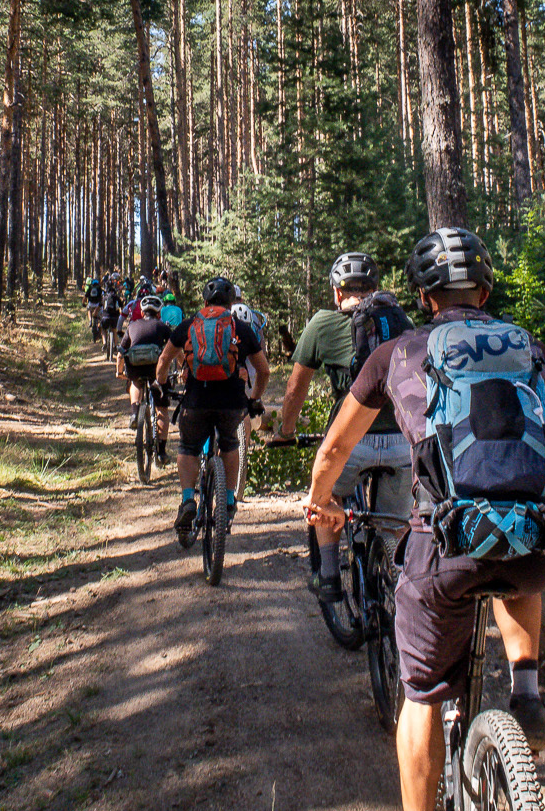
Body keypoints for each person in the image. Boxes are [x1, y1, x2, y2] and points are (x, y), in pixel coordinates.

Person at [304, 228, 545, 811]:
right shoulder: (529, 346)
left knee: (423, 695)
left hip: (445, 551)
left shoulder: (398, 352)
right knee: (516, 547)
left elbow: (334, 451)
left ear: (424, 297)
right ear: (485, 291)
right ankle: (526, 693)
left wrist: (321, 503)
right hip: (537, 551)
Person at [271, 252, 412, 607]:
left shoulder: (322, 323)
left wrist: (286, 431)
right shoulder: (401, 322)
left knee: (325, 499)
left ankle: (330, 576)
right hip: (402, 443)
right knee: (393, 524)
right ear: (376, 289)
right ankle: (393, 591)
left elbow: (295, 388)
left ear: (337, 292)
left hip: (351, 442)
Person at [156, 275, 270, 545]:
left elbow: (164, 360)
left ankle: (188, 500)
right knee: (230, 443)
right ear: (231, 303)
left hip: (196, 401)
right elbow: (264, 370)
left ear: (205, 301)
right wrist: (254, 398)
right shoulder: (241, 328)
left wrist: (161, 385)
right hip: (232, 403)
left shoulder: (188, 325)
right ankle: (228, 500)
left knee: (188, 447)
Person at [116, 295, 172, 430]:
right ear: (159, 314)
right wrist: (184, 368)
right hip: (156, 369)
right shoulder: (162, 326)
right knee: (162, 409)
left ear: (142, 313)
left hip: (135, 368)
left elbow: (121, 353)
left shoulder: (132, 326)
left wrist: (119, 371)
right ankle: (162, 443)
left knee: (135, 383)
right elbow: (175, 348)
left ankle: (135, 413)